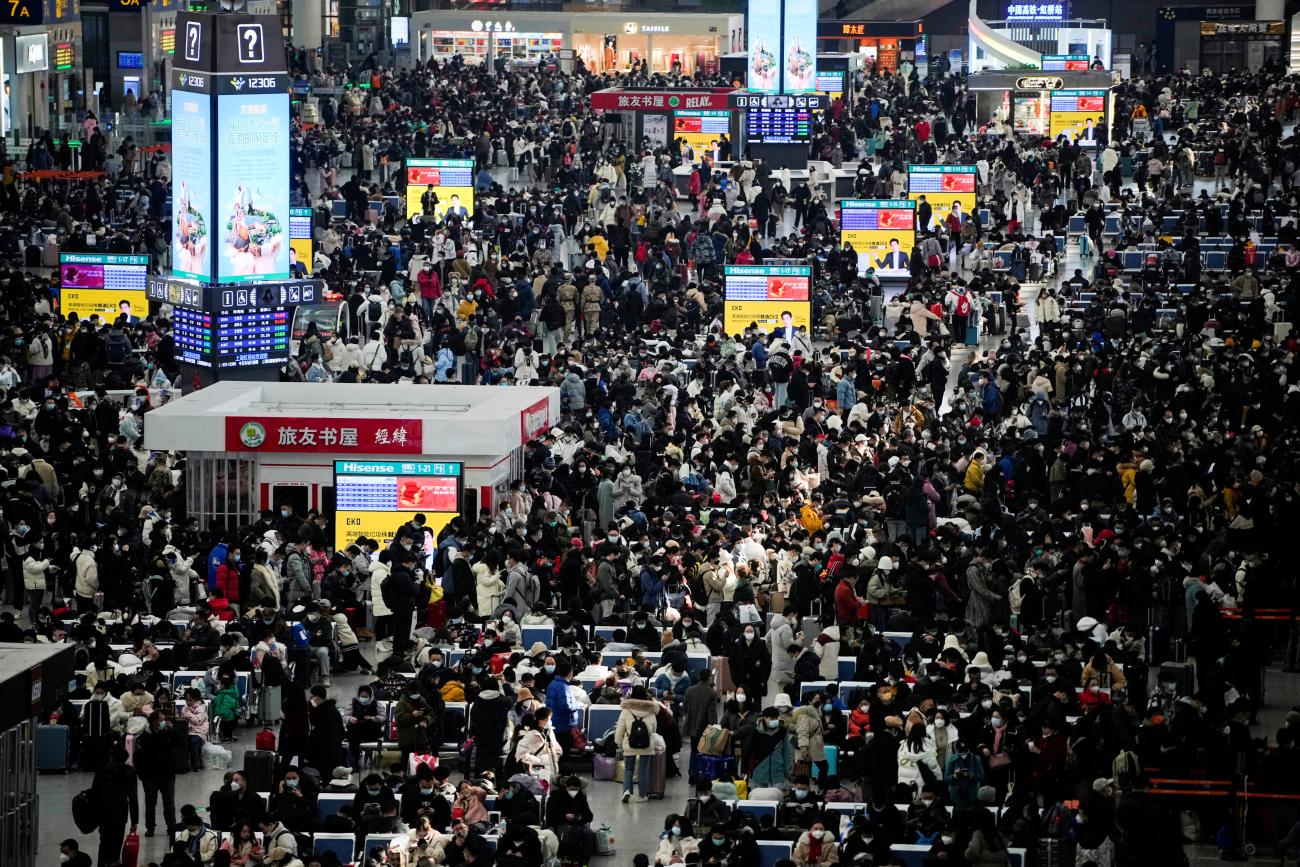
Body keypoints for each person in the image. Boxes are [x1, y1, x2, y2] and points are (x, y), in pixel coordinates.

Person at [89, 746, 138, 867]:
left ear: (111, 757)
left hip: (103, 812)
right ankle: (113, 863)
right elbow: (133, 799)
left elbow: (94, 793)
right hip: (120, 813)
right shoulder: (129, 772)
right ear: (126, 758)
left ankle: (102, 864)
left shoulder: (102, 771)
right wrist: (134, 821)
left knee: (104, 842)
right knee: (116, 843)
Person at [616, 684, 661, 803]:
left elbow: (620, 729)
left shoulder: (626, 710)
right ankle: (642, 796)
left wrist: (619, 743)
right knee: (643, 770)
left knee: (628, 769)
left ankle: (626, 791)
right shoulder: (651, 710)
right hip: (646, 744)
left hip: (630, 743)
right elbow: (654, 729)